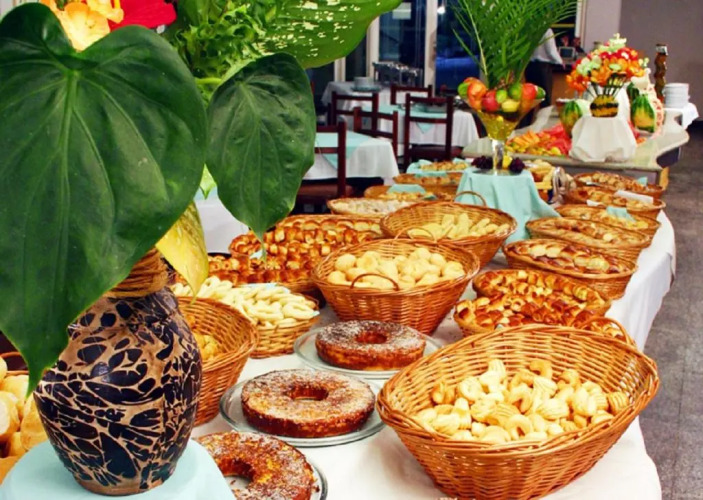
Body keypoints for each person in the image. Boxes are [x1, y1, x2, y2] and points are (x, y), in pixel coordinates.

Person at [525, 28, 563, 108]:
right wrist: (560, 61)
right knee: (545, 99)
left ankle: (529, 116)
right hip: (543, 68)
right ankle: (543, 116)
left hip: (529, 66)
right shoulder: (547, 30)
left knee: (530, 98)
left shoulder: (530, 30)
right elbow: (551, 51)